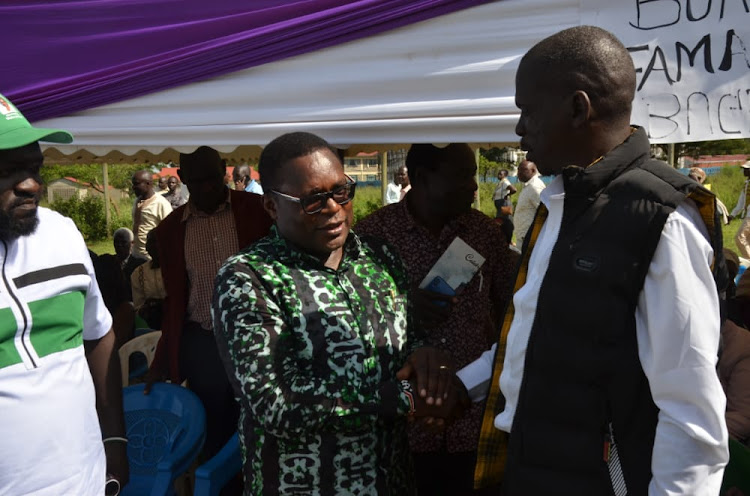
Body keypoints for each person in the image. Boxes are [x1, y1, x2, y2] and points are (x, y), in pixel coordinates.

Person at [450, 26, 729, 494]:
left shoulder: (661, 219)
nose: (519, 130)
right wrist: (464, 384)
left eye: (528, 112)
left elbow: (691, 415)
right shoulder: (560, 200)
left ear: (578, 108)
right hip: (532, 470)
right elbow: (538, 335)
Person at [212, 131, 462, 495]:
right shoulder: (248, 277)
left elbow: (407, 339)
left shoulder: (380, 258)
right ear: (271, 206)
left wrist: (427, 367)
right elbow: (278, 402)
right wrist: (403, 398)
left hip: (391, 482)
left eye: (341, 191)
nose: (332, 208)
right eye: (313, 200)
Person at [355, 143, 516, 495]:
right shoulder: (373, 236)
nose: (475, 187)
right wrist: (400, 306)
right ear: (422, 178)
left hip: (472, 415)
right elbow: (350, 322)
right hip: (406, 423)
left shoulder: (484, 233)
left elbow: (511, 310)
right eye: (463, 176)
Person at [0, 92, 128, 494]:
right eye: (8, 170)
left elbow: (98, 335)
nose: (30, 184)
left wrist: (115, 441)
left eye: (35, 168)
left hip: (86, 481)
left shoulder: (62, 233)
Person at [146, 145, 273, 463]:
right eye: (197, 181)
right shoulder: (171, 230)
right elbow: (174, 302)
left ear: (225, 170)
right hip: (203, 345)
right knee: (215, 436)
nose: (207, 188)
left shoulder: (259, 210)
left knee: (264, 428)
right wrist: (161, 362)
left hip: (261, 341)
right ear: (182, 177)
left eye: (213, 179)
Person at [131, 170, 172, 259]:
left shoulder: (161, 204)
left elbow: (170, 232)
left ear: (148, 184)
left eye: (136, 184)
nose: (133, 187)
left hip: (152, 257)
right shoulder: (136, 201)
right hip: (135, 255)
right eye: (133, 184)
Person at [131, 230, 166, 330]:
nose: (154, 246)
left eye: (158, 242)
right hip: (150, 325)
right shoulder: (138, 273)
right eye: (150, 242)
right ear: (146, 247)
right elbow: (138, 307)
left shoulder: (176, 268)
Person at [512, 160, 546, 246]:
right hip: (524, 237)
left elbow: (545, 212)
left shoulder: (535, 187)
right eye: (518, 170)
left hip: (531, 239)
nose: (519, 173)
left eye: (523, 170)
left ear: (533, 171)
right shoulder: (528, 186)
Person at [729, 162, 750, 258]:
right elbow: (741, 202)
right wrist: (732, 215)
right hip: (748, 214)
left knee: (740, 237)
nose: (744, 171)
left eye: (746, 169)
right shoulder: (746, 184)